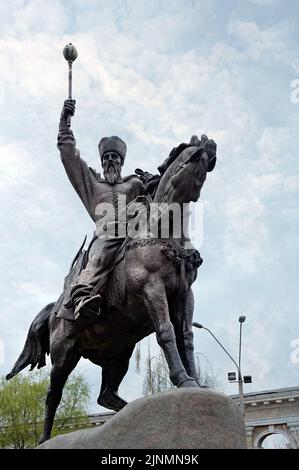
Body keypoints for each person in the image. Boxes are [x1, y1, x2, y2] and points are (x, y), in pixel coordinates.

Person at [57, 99, 145, 320]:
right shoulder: (92, 184)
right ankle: (83, 296)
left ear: (122, 161)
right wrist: (64, 123)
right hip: (106, 235)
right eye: (106, 157)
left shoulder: (134, 184)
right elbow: (70, 156)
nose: (110, 160)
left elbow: (155, 199)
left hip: (134, 234)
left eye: (114, 157)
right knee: (102, 249)